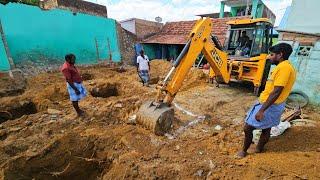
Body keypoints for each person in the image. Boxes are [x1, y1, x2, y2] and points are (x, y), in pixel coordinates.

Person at [237, 43, 296, 158]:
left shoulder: (284, 68)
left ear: (280, 55)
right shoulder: (285, 67)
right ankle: (259, 148)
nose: (269, 57)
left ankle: (244, 151)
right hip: (270, 103)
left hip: (270, 105)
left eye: (272, 54)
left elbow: (276, 91)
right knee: (266, 128)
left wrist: (261, 110)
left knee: (248, 127)